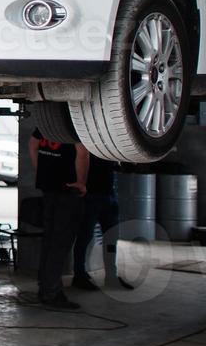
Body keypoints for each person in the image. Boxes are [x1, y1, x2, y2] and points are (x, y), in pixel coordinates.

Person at [28, 128, 89, 309]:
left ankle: (45, 287)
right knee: (60, 242)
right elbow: (83, 153)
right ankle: (52, 292)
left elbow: (32, 144)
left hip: (48, 187)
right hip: (68, 189)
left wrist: (42, 171)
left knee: (49, 240)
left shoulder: (48, 122)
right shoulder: (75, 124)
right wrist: (81, 182)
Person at [74, 154, 134, 291]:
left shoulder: (107, 144)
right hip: (91, 193)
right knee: (85, 237)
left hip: (108, 192)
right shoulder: (87, 141)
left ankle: (111, 276)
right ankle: (79, 275)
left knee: (111, 237)